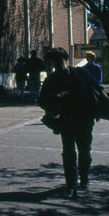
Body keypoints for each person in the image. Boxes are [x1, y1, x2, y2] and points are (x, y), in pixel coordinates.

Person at [37, 47, 98, 199]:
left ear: (65, 59)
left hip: (84, 119)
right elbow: (42, 100)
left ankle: (84, 178)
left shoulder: (81, 73)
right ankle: (71, 185)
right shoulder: (52, 79)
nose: (55, 64)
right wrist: (55, 104)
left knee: (84, 151)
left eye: (57, 60)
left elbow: (95, 89)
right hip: (66, 120)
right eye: (53, 61)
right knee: (69, 153)